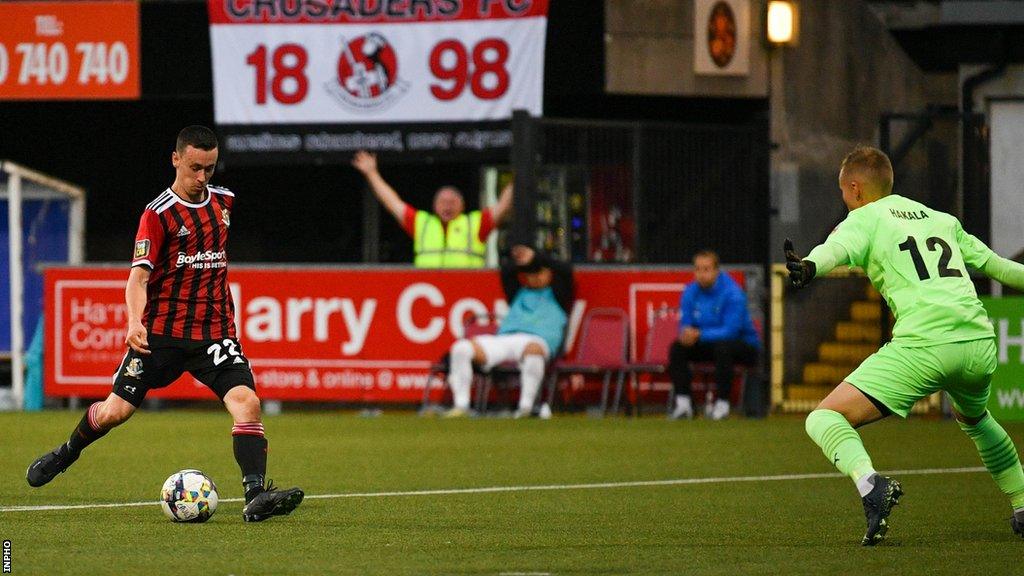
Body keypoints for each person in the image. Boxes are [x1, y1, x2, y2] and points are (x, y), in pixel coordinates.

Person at [26, 126, 304, 522]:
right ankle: (66, 453)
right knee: (115, 412)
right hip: (160, 337)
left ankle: (255, 498)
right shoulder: (157, 215)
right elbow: (138, 277)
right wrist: (134, 322)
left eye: (209, 168)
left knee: (247, 403)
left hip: (214, 333)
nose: (202, 177)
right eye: (194, 167)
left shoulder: (225, 202)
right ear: (176, 159)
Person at [785, 145, 1024, 545]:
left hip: (926, 345)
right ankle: (1021, 503)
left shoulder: (865, 217)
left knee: (824, 418)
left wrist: (809, 266)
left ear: (856, 189)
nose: (844, 200)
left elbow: (835, 250)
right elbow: (998, 267)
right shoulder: (940, 218)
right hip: (979, 341)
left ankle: (870, 485)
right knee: (976, 418)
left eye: (844, 192)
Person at [446, 245, 573, 418]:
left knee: (533, 351)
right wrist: (522, 260)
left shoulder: (558, 294)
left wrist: (537, 257)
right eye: (530, 273)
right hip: (506, 339)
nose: (534, 277)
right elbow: (506, 271)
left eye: (539, 272)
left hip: (537, 340)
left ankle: (525, 408)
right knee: (461, 348)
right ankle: (461, 406)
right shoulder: (518, 292)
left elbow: (566, 270)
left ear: (550, 273)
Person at [351, 150, 513, 267]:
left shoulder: (476, 223)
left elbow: (504, 205)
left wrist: (521, 171)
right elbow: (392, 203)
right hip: (428, 290)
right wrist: (372, 173)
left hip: (466, 292)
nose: (447, 206)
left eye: (452, 202)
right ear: (434, 206)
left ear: (462, 206)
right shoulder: (422, 223)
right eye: (443, 202)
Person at [668, 250, 760, 421]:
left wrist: (700, 334)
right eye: (698, 269)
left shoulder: (733, 293)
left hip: (743, 345)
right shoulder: (690, 291)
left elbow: (731, 331)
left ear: (717, 270)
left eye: (706, 269)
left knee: (723, 348)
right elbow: (685, 323)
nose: (701, 274)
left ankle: (722, 404)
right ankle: (683, 404)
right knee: (677, 348)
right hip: (708, 343)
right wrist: (686, 333)